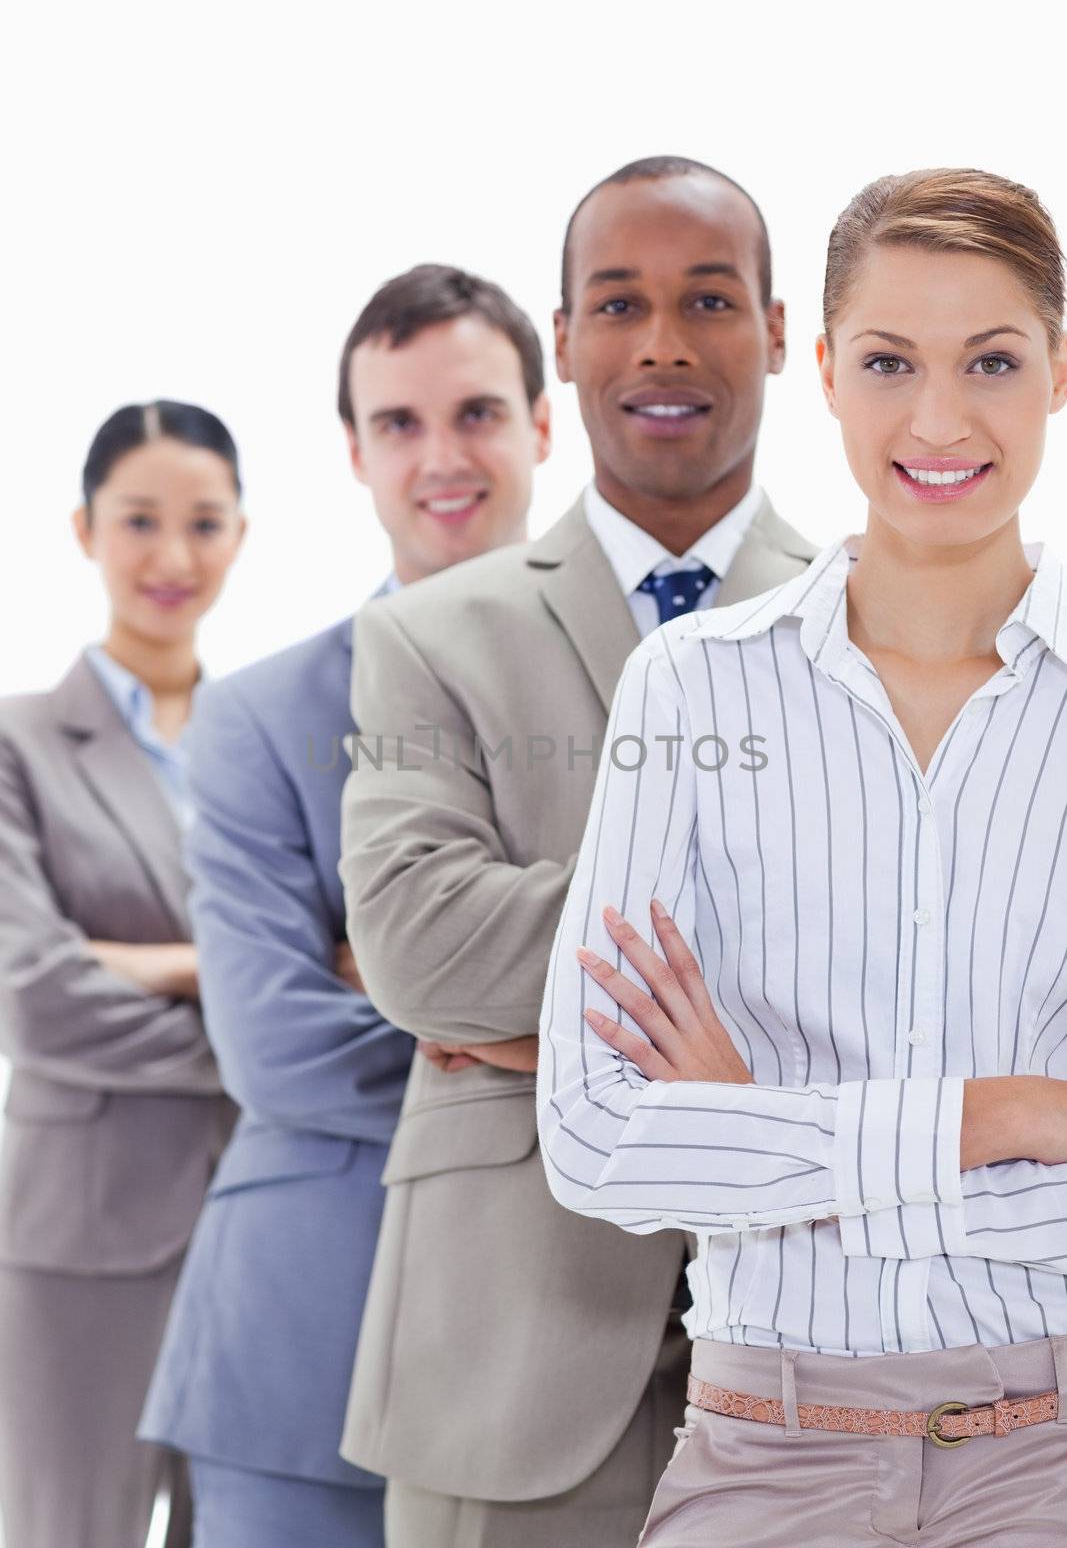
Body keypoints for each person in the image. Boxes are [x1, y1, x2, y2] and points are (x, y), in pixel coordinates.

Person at [538, 166, 1067, 1548]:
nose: (937, 418)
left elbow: (672, 1151)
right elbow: (593, 1137)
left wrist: (755, 1128)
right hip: (762, 1456)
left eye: (991, 362)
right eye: (888, 361)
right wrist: (1001, 1119)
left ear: (1057, 373)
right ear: (823, 369)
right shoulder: (690, 692)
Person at [339, 157, 816, 1546]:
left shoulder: (882, 630)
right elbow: (420, 946)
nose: (660, 342)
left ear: (778, 333)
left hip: (822, 1349)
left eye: (707, 300)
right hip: (503, 1351)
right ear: (563, 343)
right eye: (617, 303)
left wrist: (546, 1026)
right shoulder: (428, 635)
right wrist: (769, 943)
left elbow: (929, 971)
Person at [139, 263, 550, 1548]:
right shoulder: (261, 718)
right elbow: (271, 1041)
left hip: (564, 1355)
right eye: (399, 423)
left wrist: (411, 977)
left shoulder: (652, 696)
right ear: (355, 454)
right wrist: (574, 1055)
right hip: (302, 1341)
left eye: (477, 412)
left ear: (545, 424)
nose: (442, 456)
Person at [0, 400, 246, 1548]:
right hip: (83, 1242)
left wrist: (148, 965)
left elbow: (350, 974)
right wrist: (243, 998)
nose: (172, 556)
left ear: (240, 534)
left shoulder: (273, 737)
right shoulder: (19, 742)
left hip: (260, 1220)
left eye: (203, 522)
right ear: (83, 528)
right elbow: (33, 996)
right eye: (139, 520)